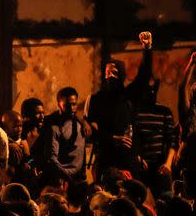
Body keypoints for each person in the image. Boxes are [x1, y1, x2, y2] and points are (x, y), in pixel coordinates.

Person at [86, 31, 153, 180]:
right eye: (107, 73)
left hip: (127, 159)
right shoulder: (96, 100)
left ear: (121, 75)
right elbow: (91, 131)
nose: (110, 76)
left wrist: (147, 50)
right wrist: (113, 139)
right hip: (106, 159)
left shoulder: (128, 95)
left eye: (114, 72)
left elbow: (143, 76)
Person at [133, 68, 178, 192]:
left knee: (165, 200)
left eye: (153, 89)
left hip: (160, 165)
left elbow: (172, 141)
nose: (151, 92)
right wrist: (137, 158)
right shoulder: (135, 111)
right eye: (147, 89)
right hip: (140, 165)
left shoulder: (164, 112)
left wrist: (168, 164)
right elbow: (132, 137)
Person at [41, 87, 90, 185]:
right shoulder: (53, 126)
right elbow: (52, 158)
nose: (72, 108)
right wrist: (66, 177)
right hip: (63, 181)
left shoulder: (80, 123)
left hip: (79, 179)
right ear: (59, 103)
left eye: (74, 104)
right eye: (68, 105)